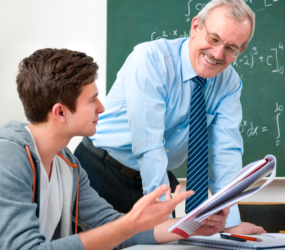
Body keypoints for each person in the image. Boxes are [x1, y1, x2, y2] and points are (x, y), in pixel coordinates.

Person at [0, 48, 230, 250]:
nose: (101, 107)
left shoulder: (67, 163)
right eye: (92, 100)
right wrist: (129, 225)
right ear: (60, 112)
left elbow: (109, 224)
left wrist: (192, 226)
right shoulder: (6, 157)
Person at [75, 0, 265, 234]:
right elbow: (150, 145)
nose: (217, 54)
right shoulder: (150, 60)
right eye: (214, 39)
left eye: (230, 48)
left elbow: (225, 152)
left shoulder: (229, 83)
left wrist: (231, 222)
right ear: (195, 27)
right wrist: (163, 214)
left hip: (158, 177)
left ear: (241, 50)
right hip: (101, 171)